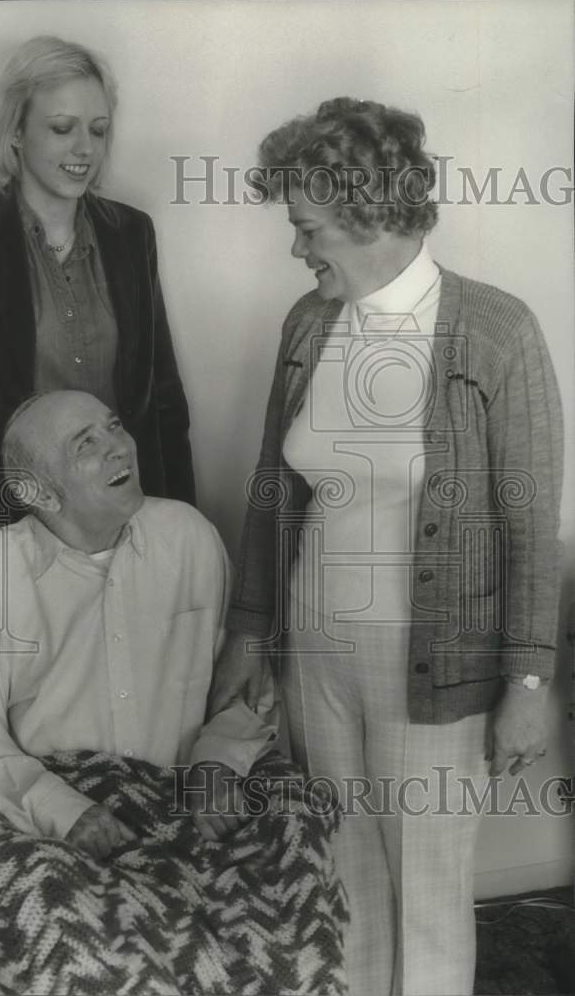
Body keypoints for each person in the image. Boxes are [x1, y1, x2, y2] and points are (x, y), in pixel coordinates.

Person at [208, 97, 563, 996]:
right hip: (315, 651)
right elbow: (269, 491)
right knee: (346, 878)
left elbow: (531, 524)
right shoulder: (307, 325)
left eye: (308, 228)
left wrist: (530, 681)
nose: (298, 249)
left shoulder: (496, 330)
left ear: (367, 214)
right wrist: (249, 635)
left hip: (434, 664)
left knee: (430, 894)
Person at [0, 35, 195, 616]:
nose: (84, 148)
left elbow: (162, 397)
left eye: (98, 129)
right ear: (16, 132)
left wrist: (179, 520)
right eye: (62, 128)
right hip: (16, 530)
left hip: (124, 520)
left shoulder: (130, 233)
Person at [0, 390, 277, 856]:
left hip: (184, 797)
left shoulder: (189, 535)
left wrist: (217, 765)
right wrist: (63, 811)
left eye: (115, 425)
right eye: (85, 443)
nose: (119, 446)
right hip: (54, 807)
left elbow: (243, 689)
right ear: (35, 492)